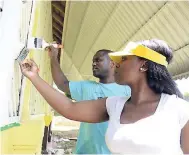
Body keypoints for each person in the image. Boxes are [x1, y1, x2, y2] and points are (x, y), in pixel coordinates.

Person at [20, 39, 189, 154]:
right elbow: (69, 108)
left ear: (143, 65)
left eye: (123, 59)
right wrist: (34, 76)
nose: (116, 64)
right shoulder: (114, 105)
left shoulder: (180, 110)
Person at [48, 47, 131, 154]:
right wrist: (53, 57)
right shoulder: (86, 87)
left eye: (98, 60)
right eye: (93, 61)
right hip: (85, 151)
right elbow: (62, 84)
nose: (93, 64)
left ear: (112, 63)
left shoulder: (127, 90)